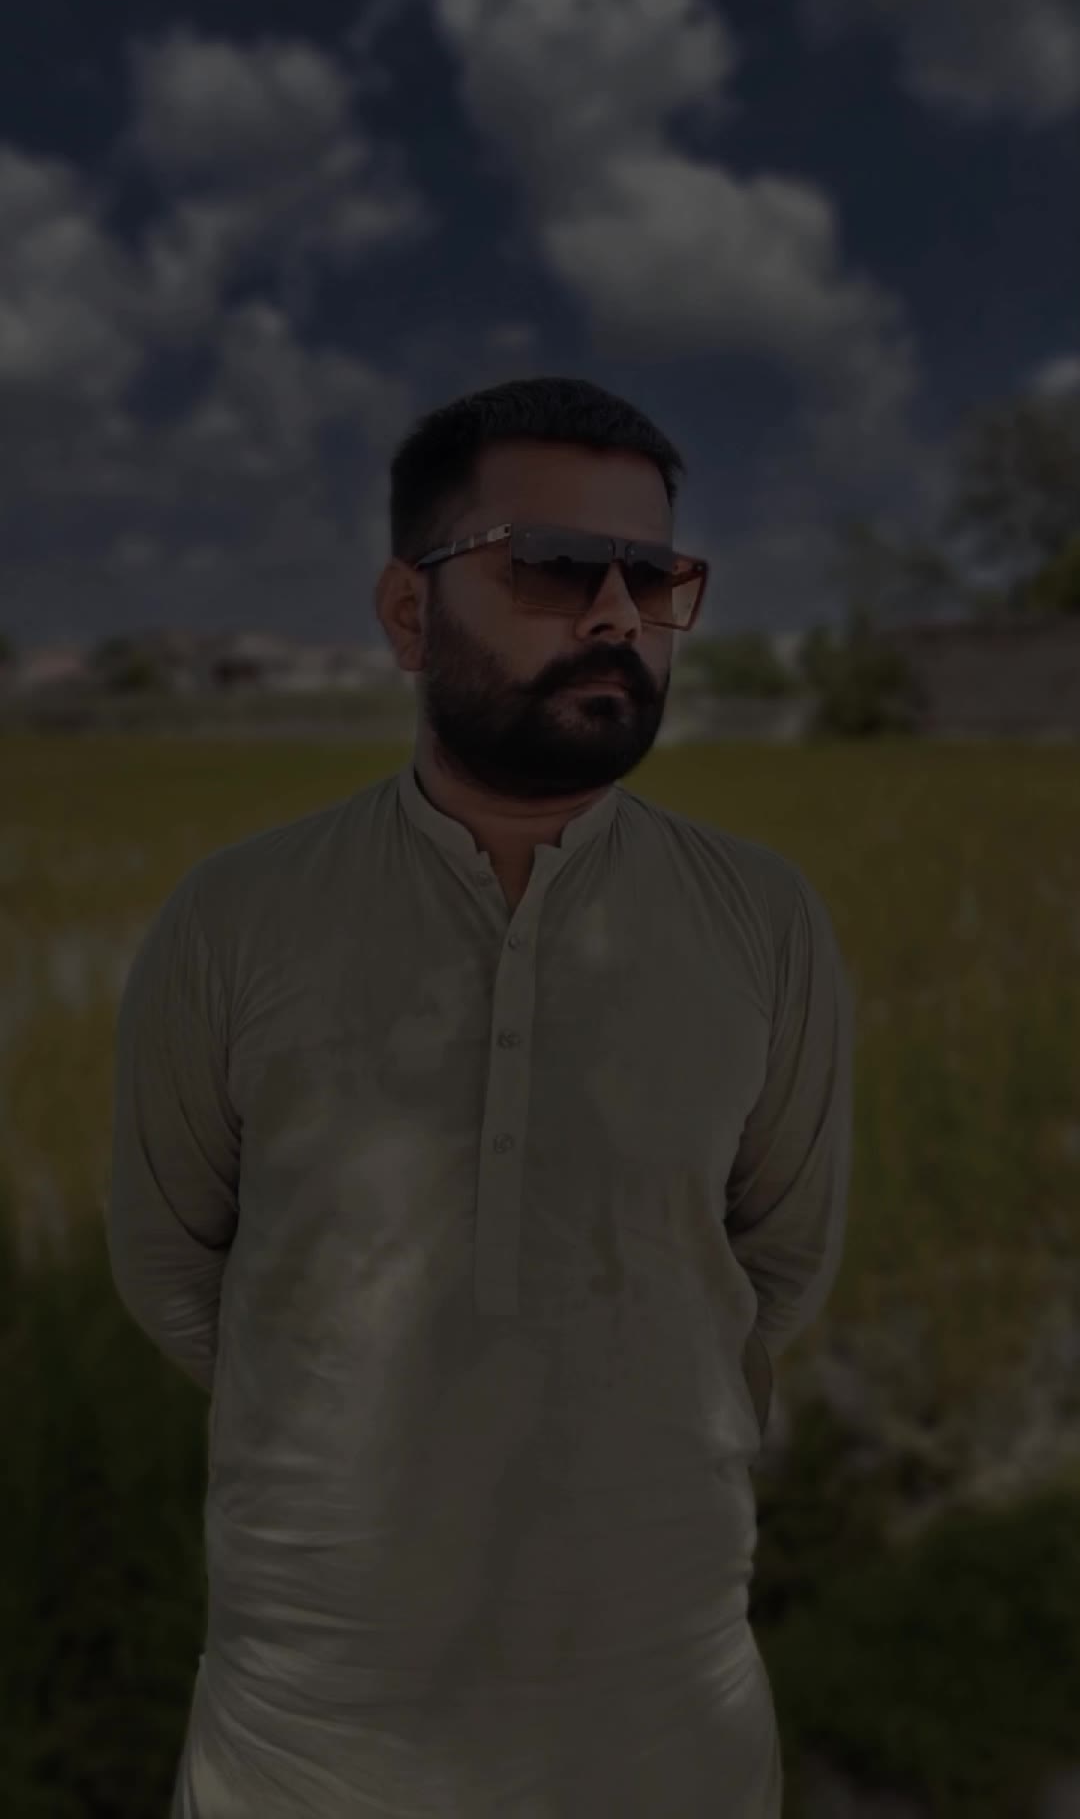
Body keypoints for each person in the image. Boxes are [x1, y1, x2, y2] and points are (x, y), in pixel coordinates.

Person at [108, 374, 854, 1817]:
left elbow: (778, 1259)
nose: (617, 616)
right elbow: (170, 1257)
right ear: (409, 612)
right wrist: (352, 1400)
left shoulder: (763, 922)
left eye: (655, 577)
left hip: (665, 1716)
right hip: (308, 1732)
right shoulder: (236, 919)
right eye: (558, 566)